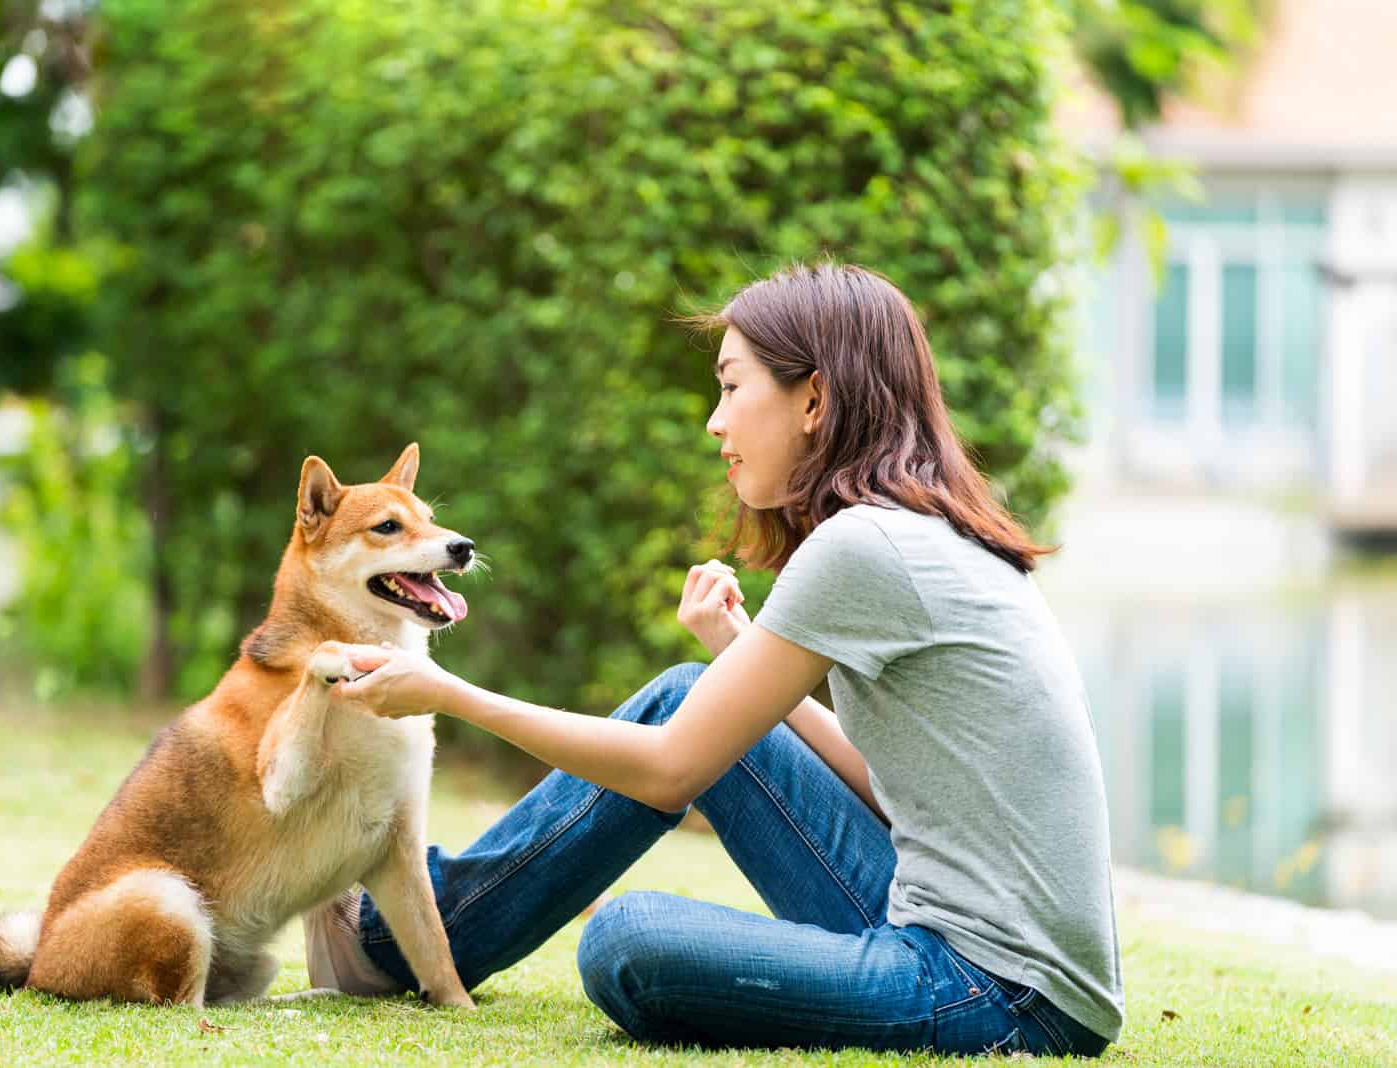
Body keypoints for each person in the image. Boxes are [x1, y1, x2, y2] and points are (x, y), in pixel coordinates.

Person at [302, 261, 1123, 1057]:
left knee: (631, 939)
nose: (715, 420)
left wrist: (451, 693)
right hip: (985, 954)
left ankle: (390, 938)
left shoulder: (864, 546)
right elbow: (888, 786)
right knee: (688, 695)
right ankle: (394, 940)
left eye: (732, 386)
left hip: (999, 993)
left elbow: (667, 773)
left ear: (815, 398)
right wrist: (738, 660)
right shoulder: (919, 530)